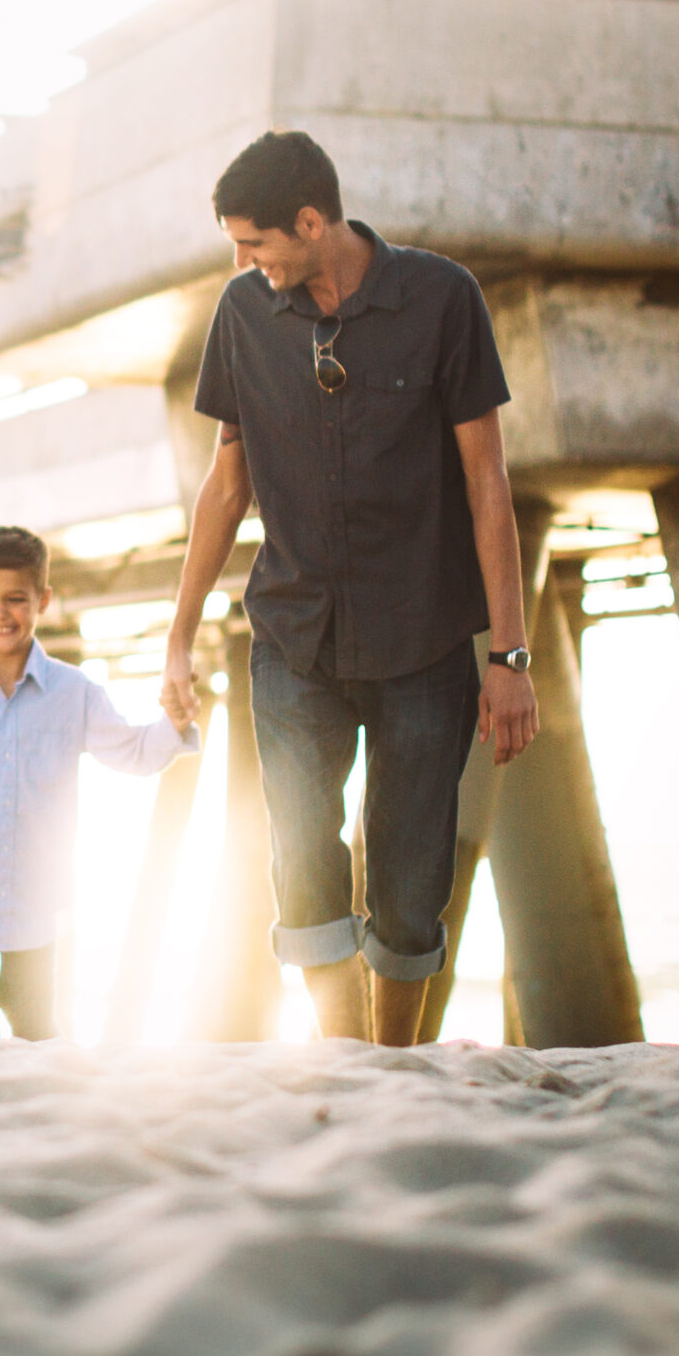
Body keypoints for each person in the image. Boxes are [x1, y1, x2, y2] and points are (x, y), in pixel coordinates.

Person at [160, 129, 538, 1047]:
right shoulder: (245, 314)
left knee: (410, 884)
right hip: (294, 640)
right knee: (302, 864)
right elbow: (226, 482)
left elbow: (489, 484)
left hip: (423, 641)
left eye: (256, 243)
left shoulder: (442, 299)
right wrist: (178, 635)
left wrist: (509, 655)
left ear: (312, 221)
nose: (245, 263)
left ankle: (394, 1059)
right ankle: (343, 1062)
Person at [0, 525, 195, 1039]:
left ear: (43, 600)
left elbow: (134, 753)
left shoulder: (73, 692)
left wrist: (176, 724)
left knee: (34, 1021)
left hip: (36, 893)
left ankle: (40, 1109)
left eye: (16, 599)